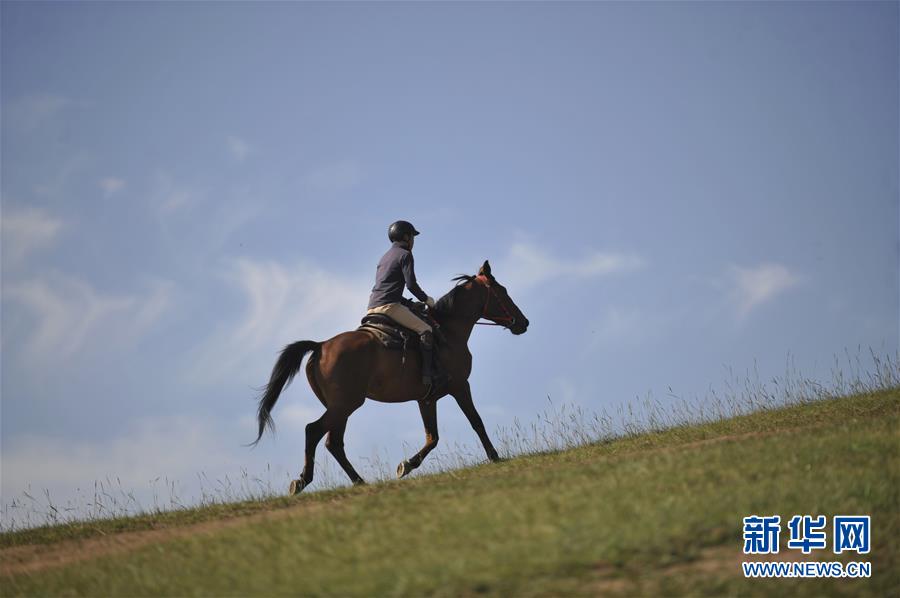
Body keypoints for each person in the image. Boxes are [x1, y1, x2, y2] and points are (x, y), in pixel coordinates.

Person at [366, 220, 446, 387]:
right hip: (389, 307)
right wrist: (426, 299)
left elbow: (386, 287)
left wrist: (408, 305)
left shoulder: (384, 257)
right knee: (426, 329)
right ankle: (428, 375)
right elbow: (411, 285)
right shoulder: (405, 254)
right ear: (406, 237)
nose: (413, 242)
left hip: (372, 307)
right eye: (412, 237)